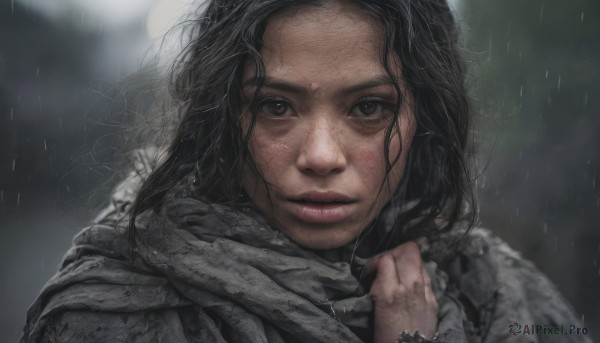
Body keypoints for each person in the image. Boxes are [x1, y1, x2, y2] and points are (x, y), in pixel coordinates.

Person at [21, 0, 589, 342]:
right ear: (223, 115)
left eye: (369, 108)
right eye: (276, 106)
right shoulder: (113, 309)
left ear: (425, 116)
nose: (320, 156)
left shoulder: (491, 289)